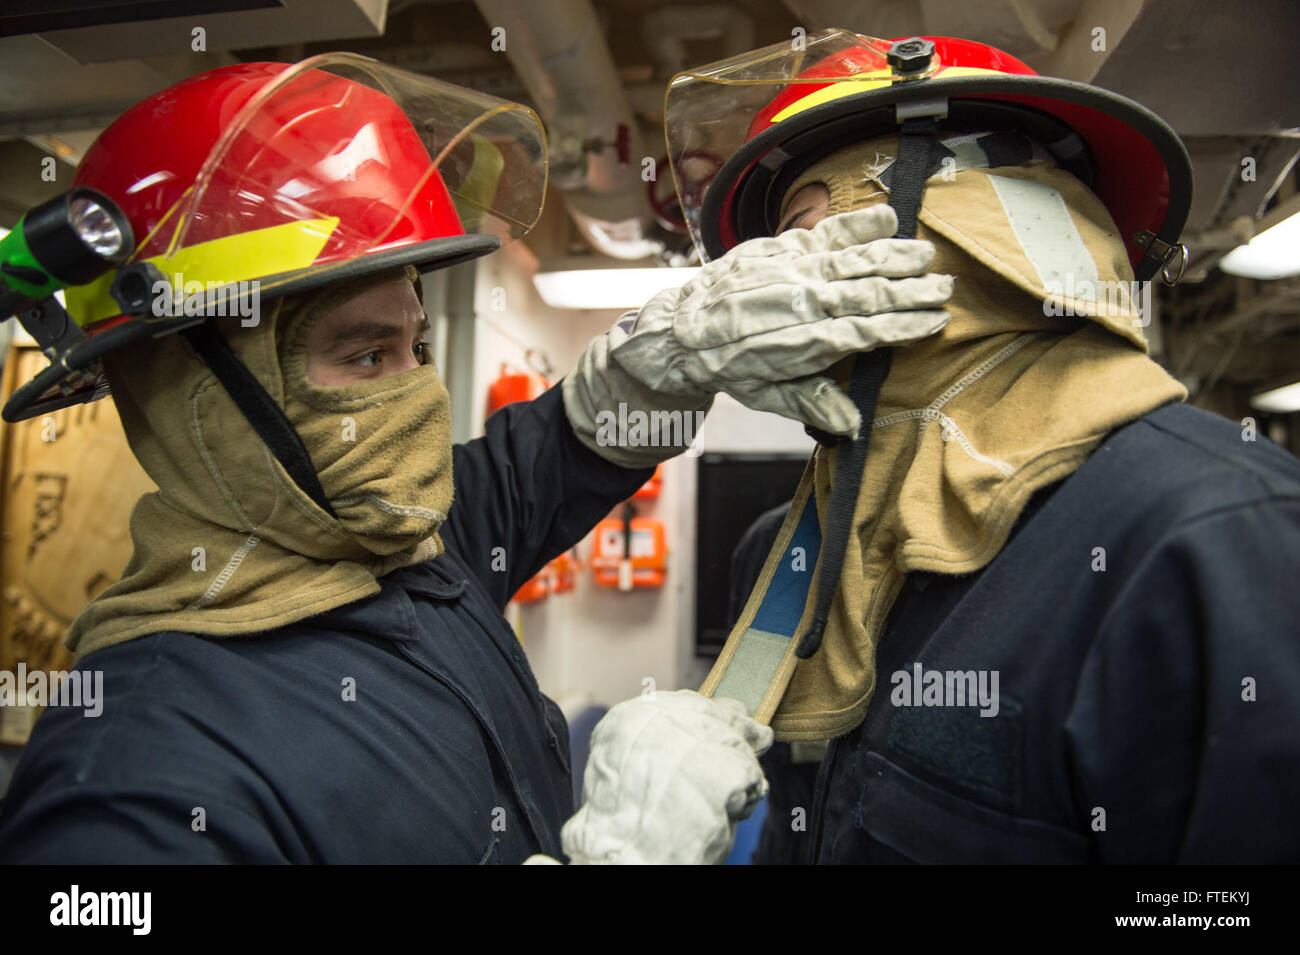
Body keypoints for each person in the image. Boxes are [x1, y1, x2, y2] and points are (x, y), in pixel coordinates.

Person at [0, 55, 953, 863]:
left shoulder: (397, 544)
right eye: (366, 355)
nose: (420, 392)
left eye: (417, 346)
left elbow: (554, 454)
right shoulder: (128, 786)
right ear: (197, 398)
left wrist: (662, 362)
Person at [661, 30, 1300, 863]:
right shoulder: (787, 564)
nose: (770, 292)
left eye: (805, 239)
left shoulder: (1216, 537)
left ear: (964, 221)